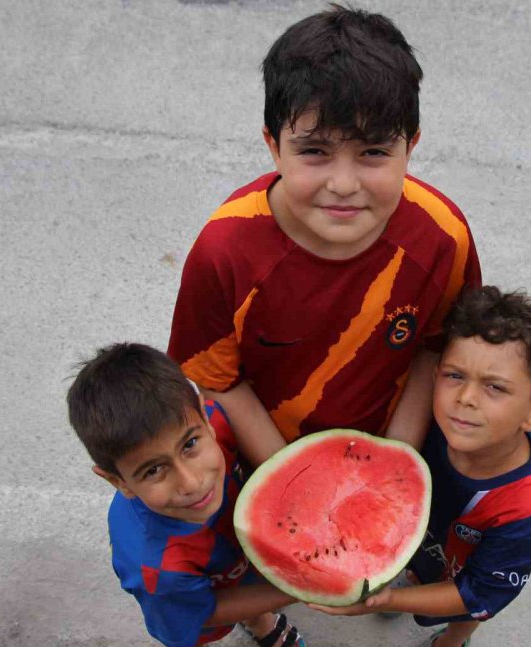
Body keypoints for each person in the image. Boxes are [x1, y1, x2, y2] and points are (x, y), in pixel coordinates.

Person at [167, 5, 481, 465]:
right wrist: (292, 477)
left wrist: (395, 459)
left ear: (410, 146)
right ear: (273, 146)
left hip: (394, 443)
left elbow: (437, 348)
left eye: (373, 152)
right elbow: (217, 379)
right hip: (265, 454)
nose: (344, 184)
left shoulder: (442, 236)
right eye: (314, 151)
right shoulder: (224, 251)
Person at [311, 286, 531, 647]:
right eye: (455, 375)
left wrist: (388, 600)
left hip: (469, 575)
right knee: (415, 574)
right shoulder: (426, 426)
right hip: (422, 546)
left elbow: (477, 591)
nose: (465, 398)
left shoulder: (526, 507)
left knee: (468, 614)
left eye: (494, 387)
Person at [66, 343, 308, 647]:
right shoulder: (154, 567)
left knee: (246, 583)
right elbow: (208, 610)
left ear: (202, 414)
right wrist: (299, 589)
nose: (192, 483)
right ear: (118, 481)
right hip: (180, 596)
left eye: (190, 444)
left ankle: (257, 618)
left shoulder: (218, 425)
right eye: (153, 470)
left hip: (234, 560)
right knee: (187, 629)